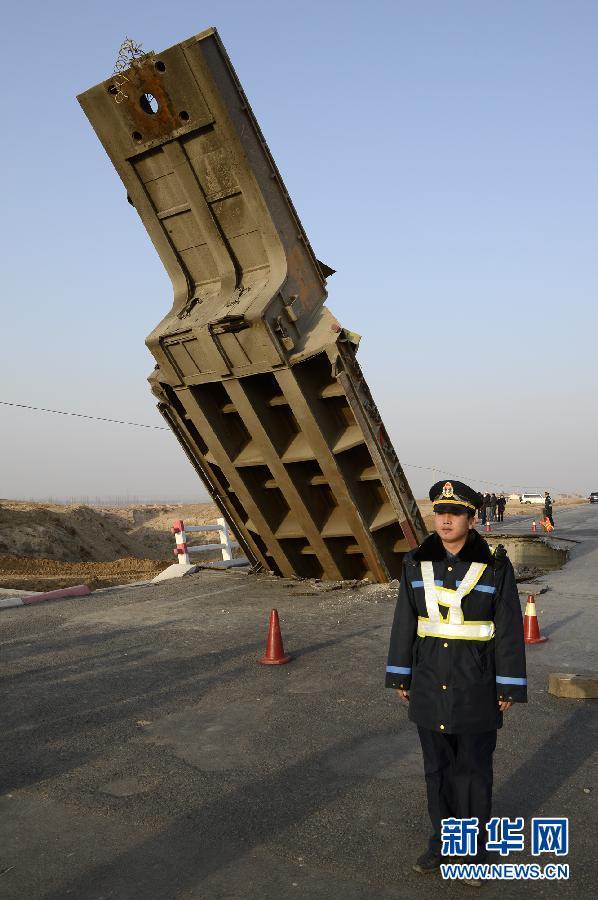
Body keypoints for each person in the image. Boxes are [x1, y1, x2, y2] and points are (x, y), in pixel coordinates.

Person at [386, 480, 527, 881]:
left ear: (471, 517)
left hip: (477, 687)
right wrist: (401, 673)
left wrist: (508, 686)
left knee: (472, 771)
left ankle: (471, 854)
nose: (446, 519)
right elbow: (404, 623)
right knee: (437, 770)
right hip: (429, 683)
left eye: (456, 512)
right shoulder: (414, 563)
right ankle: (442, 842)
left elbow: (509, 629)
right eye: (440, 512)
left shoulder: (496, 566)